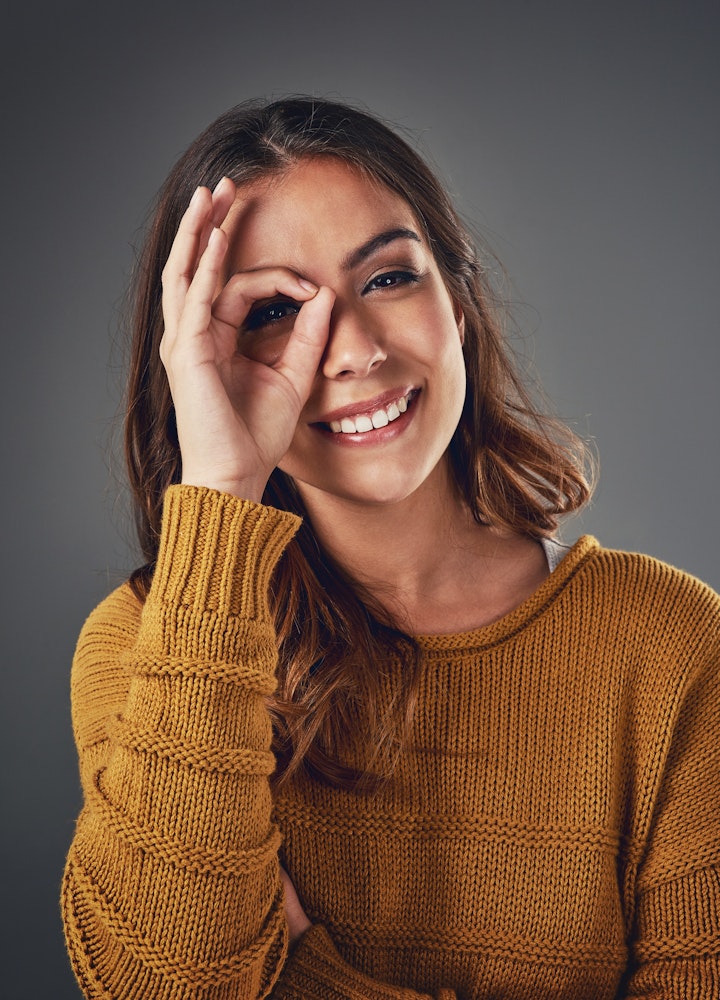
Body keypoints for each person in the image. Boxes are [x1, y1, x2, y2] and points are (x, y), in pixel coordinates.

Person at [62, 97, 719, 999]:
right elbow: (162, 984)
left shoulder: (673, 642)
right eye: (274, 310)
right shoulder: (144, 647)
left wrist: (305, 982)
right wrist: (220, 487)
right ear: (197, 362)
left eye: (386, 279)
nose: (353, 351)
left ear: (460, 302)